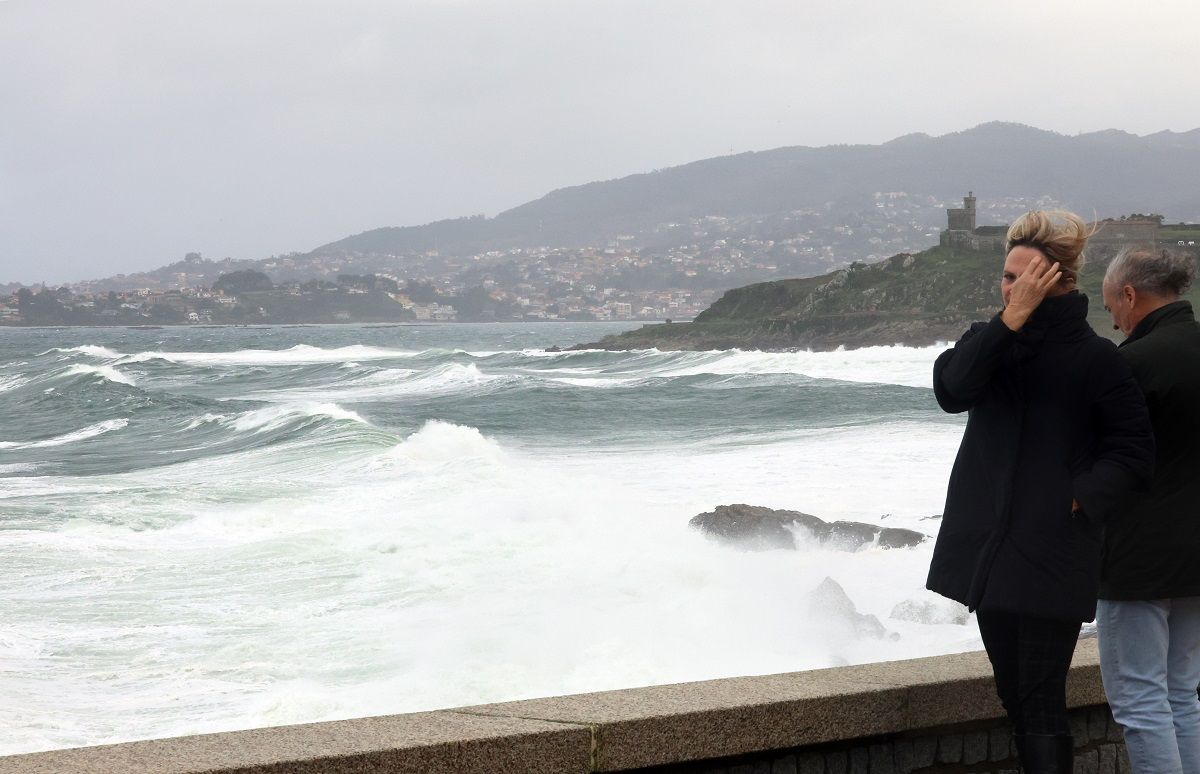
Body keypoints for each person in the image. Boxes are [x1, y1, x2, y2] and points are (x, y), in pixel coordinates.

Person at [926, 210, 1155, 774]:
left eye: (1021, 277)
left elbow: (1133, 449)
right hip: (989, 550)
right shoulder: (988, 343)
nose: (1010, 287)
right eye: (1006, 277)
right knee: (1016, 698)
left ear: (1058, 278)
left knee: (1040, 703)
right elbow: (952, 390)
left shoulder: (1095, 357)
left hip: (1053, 551)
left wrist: (1075, 499)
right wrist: (1009, 322)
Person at [1098, 246, 1200, 774]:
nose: (1113, 318)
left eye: (1112, 304)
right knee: (1182, 693)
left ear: (1131, 295)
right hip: (1196, 554)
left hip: (1139, 555)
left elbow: (1098, 454)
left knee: (1139, 700)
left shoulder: (1133, 362)